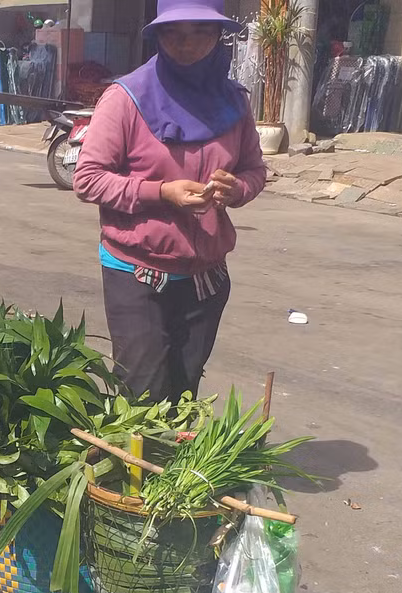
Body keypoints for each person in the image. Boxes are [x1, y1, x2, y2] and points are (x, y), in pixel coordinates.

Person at [73, 0, 266, 403]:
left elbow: (254, 170)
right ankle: (132, 465)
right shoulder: (125, 98)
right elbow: (88, 179)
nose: (187, 44)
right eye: (174, 33)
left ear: (218, 37)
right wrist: (161, 193)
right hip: (137, 271)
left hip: (205, 277)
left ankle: (170, 464)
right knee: (142, 393)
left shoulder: (234, 101)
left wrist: (238, 189)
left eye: (201, 32)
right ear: (158, 36)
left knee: (183, 390)